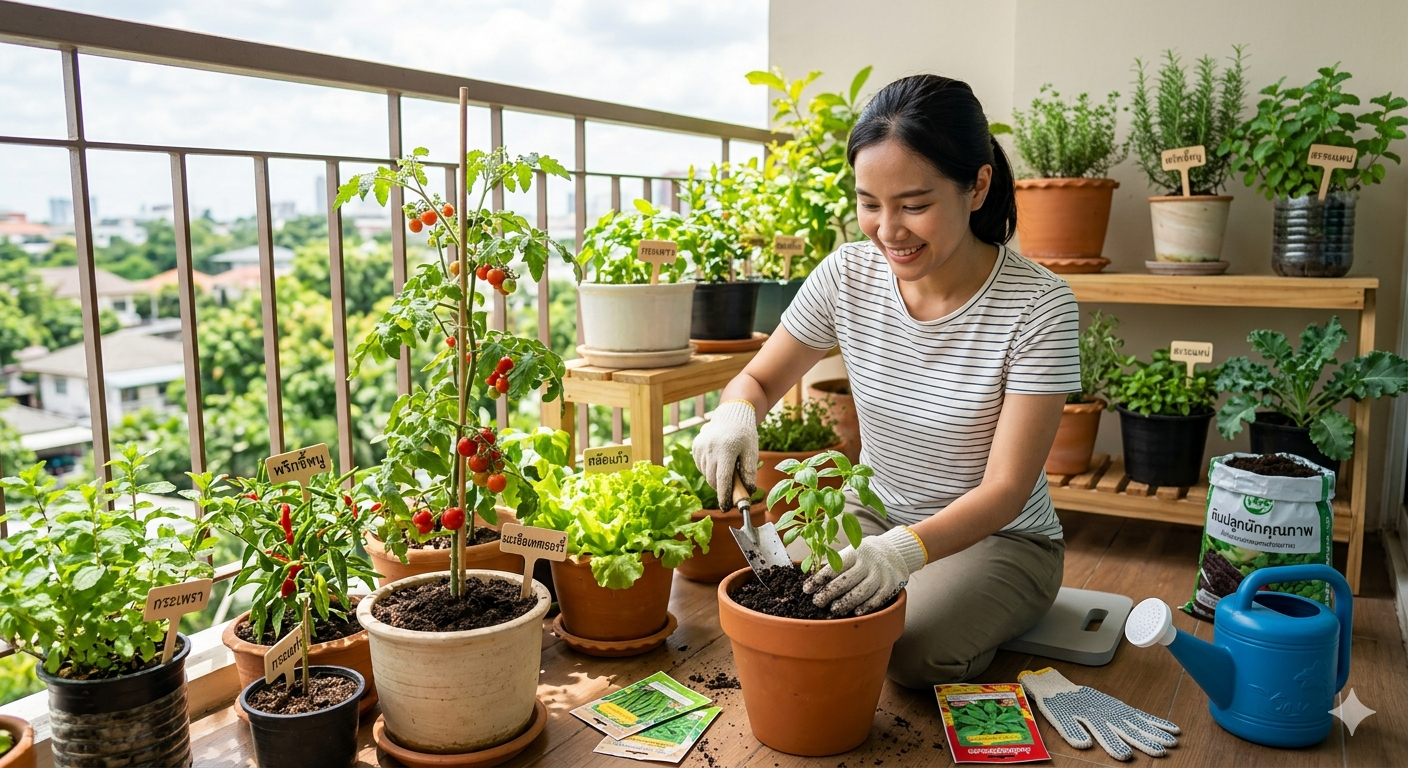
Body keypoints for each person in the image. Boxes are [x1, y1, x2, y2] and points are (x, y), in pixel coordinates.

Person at [692, 74, 1078, 688]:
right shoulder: (849, 274)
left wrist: (905, 553)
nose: (888, 229)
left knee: (908, 650)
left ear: (977, 186)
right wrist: (733, 412)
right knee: (791, 606)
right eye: (869, 203)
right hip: (868, 518)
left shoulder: (1039, 305)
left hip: (1001, 539)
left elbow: (1007, 489)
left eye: (915, 205)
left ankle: (988, 607)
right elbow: (759, 380)